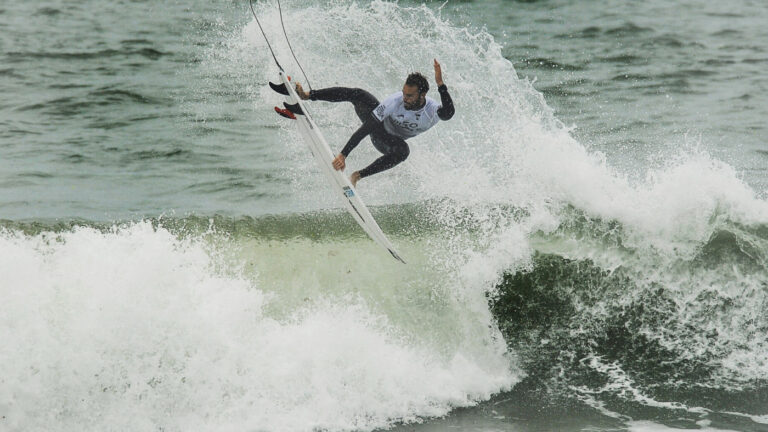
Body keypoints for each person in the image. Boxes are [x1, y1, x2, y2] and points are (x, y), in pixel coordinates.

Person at [295, 59, 455, 187]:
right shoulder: (395, 101)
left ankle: (357, 176)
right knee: (358, 94)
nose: (405, 98)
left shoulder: (431, 110)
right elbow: (367, 127)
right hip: (378, 129)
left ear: (423, 94)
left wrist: (441, 84)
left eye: (410, 96)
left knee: (403, 151)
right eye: (404, 93)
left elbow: (448, 113)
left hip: (388, 143)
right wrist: (344, 154)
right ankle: (307, 95)